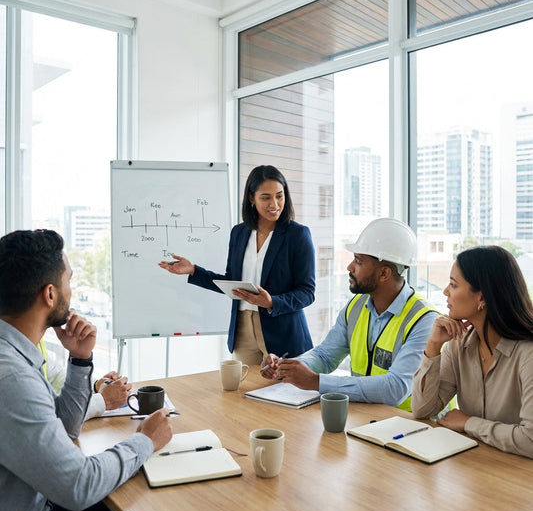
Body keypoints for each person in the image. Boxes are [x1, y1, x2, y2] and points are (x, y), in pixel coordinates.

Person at [0, 229, 172, 511]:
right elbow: (79, 485)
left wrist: (80, 359)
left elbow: (63, 429)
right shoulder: (12, 378)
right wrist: (144, 440)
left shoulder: (13, 354)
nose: (72, 289)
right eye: (69, 280)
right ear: (50, 294)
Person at [262, 218, 439, 411]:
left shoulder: (425, 321)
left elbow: (395, 388)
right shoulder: (355, 306)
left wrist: (316, 382)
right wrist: (290, 367)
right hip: (367, 419)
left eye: (358, 261)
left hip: (413, 429)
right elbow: (325, 356)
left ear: (384, 274)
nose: (350, 267)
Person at [159, 165, 315, 365]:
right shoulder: (239, 233)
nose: (274, 204)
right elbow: (231, 282)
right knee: (242, 394)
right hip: (242, 331)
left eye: (279, 196)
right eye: (265, 197)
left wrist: (272, 302)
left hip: (284, 333)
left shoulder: (298, 235)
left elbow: (307, 292)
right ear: (251, 198)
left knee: (285, 394)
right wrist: (193, 271)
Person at [411, 246, 533, 458]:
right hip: (475, 468)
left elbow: (530, 440)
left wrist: (469, 423)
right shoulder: (459, 344)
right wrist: (433, 346)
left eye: (453, 285)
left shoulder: (528, 354)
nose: (445, 292)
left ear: (482, 298)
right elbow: (423, 410)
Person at [39, 339, 132, 420]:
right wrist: (103, 400)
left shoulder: (35, 341)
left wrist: (95, 386)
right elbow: (49, 416)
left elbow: (55, 377)